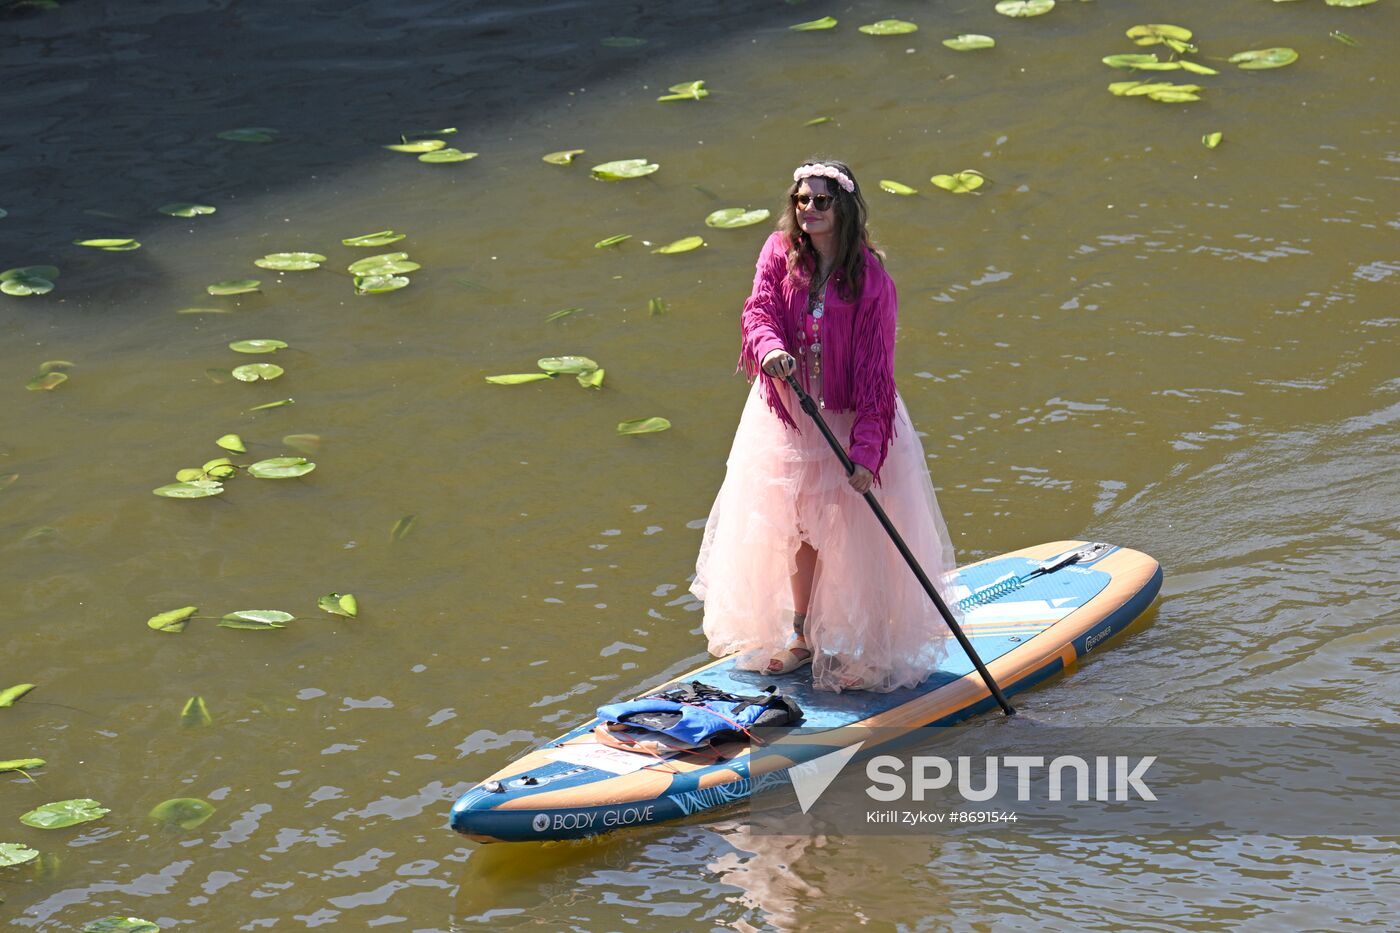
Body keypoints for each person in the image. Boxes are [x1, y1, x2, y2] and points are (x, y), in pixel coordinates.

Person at [690, 159, 961, 693]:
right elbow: (759, 311)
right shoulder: (778, 253)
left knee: (859, 535)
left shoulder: (873, 284)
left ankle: (876, 650)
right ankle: (800, 639)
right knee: (796, 527)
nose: (808, 209)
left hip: (848, 417)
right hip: (789, 414)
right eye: (801, 200)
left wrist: (864, 455)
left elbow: (876, 378)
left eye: (820, 201)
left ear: (845, 209)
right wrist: (769, 350)